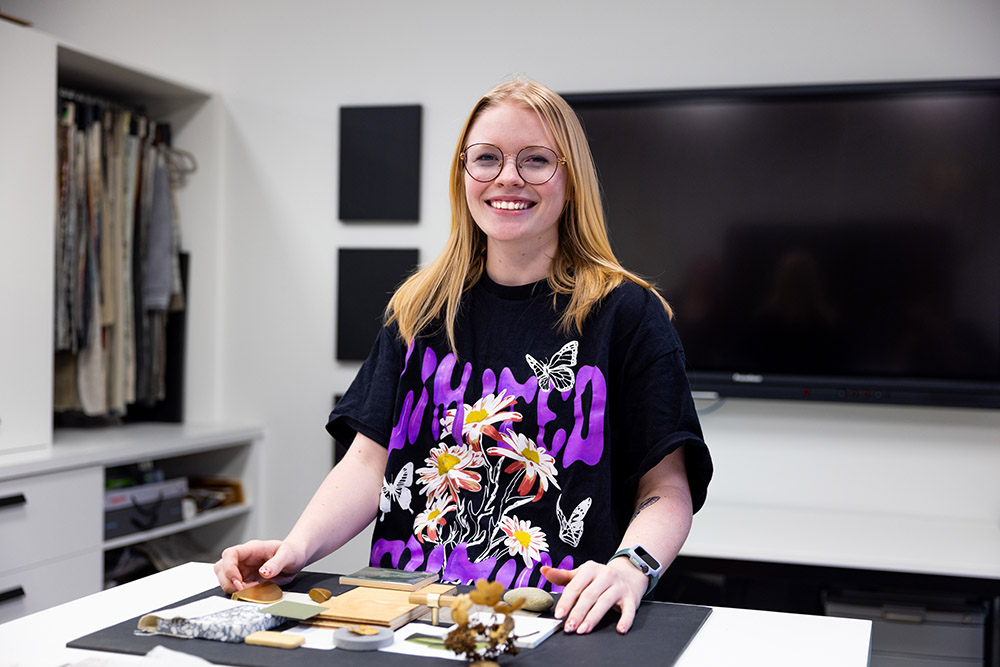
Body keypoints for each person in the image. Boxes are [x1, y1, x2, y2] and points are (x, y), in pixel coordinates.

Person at [214, 78, 713, 635]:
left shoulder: (627, 314)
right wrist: (295, 548)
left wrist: (632, 567)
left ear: (571, 179)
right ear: (463, 174)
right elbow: (369, 462)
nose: (508, 177)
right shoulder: (420, 308)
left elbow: (667, 489)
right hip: (405, 615)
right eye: (487, 158)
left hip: (555, 621)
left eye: (536, 160)